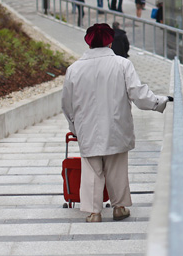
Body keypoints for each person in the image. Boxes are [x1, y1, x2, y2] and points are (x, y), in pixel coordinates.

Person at [61, 23, 170, 223]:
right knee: (117, 169)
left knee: (92, 171)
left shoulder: (74, 69)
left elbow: (67, 104)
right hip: (116, 127)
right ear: (110, 42)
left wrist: (74, 127)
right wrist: (159, 101)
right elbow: (138, 93)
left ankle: (94, 213)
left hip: (87, 129)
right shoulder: (122, 64)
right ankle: (119, 207)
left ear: (88, 42)